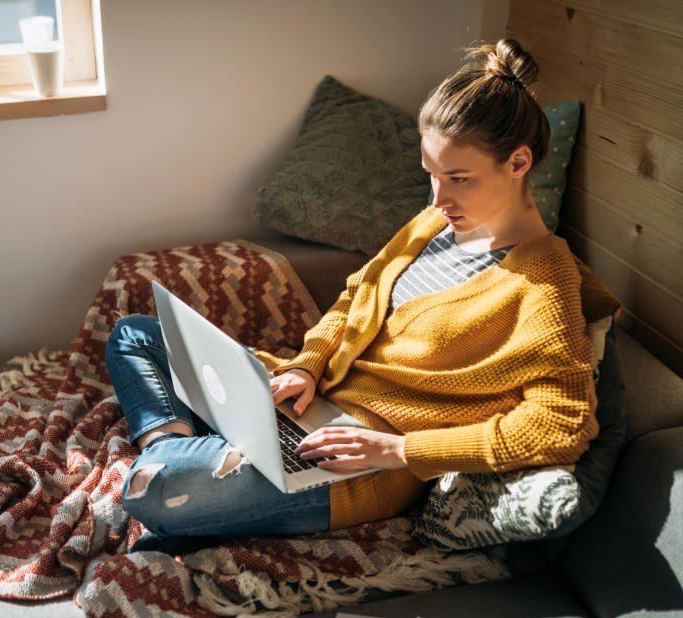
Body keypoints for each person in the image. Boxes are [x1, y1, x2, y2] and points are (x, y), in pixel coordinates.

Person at [104, 39, 618, 551]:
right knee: (135, 334)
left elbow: (560, 426)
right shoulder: (431, 223)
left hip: (357, 465)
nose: (439, 199)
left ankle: (176, 455)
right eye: (432, 175)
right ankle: (179, 445)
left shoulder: (545, 283)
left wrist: (397, 450)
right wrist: (306, 366)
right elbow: (356, 298)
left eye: (459, 178)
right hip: (309, 401)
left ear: (519, 162)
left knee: (157, 488)